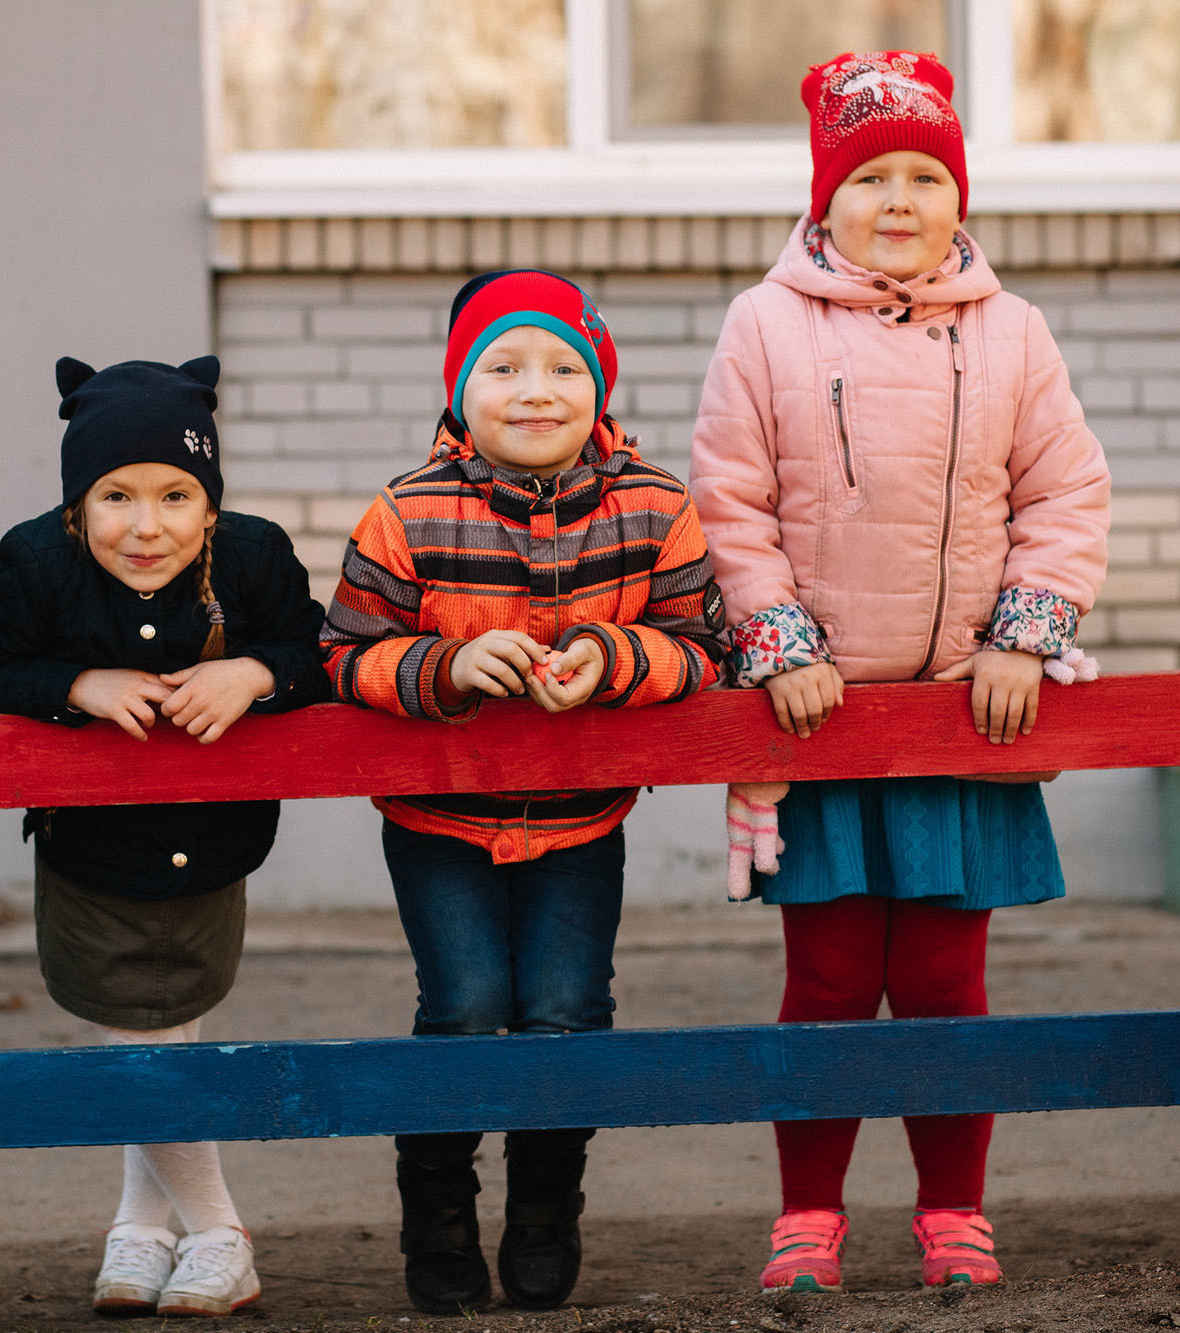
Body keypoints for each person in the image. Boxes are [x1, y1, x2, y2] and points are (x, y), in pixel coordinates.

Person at [689, 51, 1112, 1293]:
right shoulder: (763, 323)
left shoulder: (1010, 330)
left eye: (923, 176)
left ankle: (951, 1212)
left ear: (955, 197)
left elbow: (1062, 490)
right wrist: (776, 641)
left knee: (941, 975)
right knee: (824, 976)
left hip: (956, 715)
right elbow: (729, 495)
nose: (896, 199)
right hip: (813, 721)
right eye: (867, 175)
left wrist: (1022, 633)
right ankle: (807, 1216)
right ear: (823, 197)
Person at [322, 270, 727, 1313]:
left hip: (581, 819)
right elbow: (345, 654)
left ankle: (545, 1207)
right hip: (438, 820)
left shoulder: (653, 504)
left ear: (598, 386)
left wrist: (614, 653)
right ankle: (438, 1212)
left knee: (562, 1012)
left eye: (561, 366)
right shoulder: (406, 511)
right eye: (500, 366)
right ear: (459, 389)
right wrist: (445, 668)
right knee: (461, 1010)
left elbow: (701, 646)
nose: (532, 389)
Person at [0, 355, 327, 1318]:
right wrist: (75, 686)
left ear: (210, 504)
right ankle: (217, 1232)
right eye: (115, 495)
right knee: (138, 1030)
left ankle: (141, 1225)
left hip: (213, 846)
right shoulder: (37, 562)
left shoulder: (252, 557)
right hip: (93, 854)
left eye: (175, 495)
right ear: (78, 504)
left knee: (167, 1024)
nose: (146, 524)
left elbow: (314, 652)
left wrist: (252, 673)